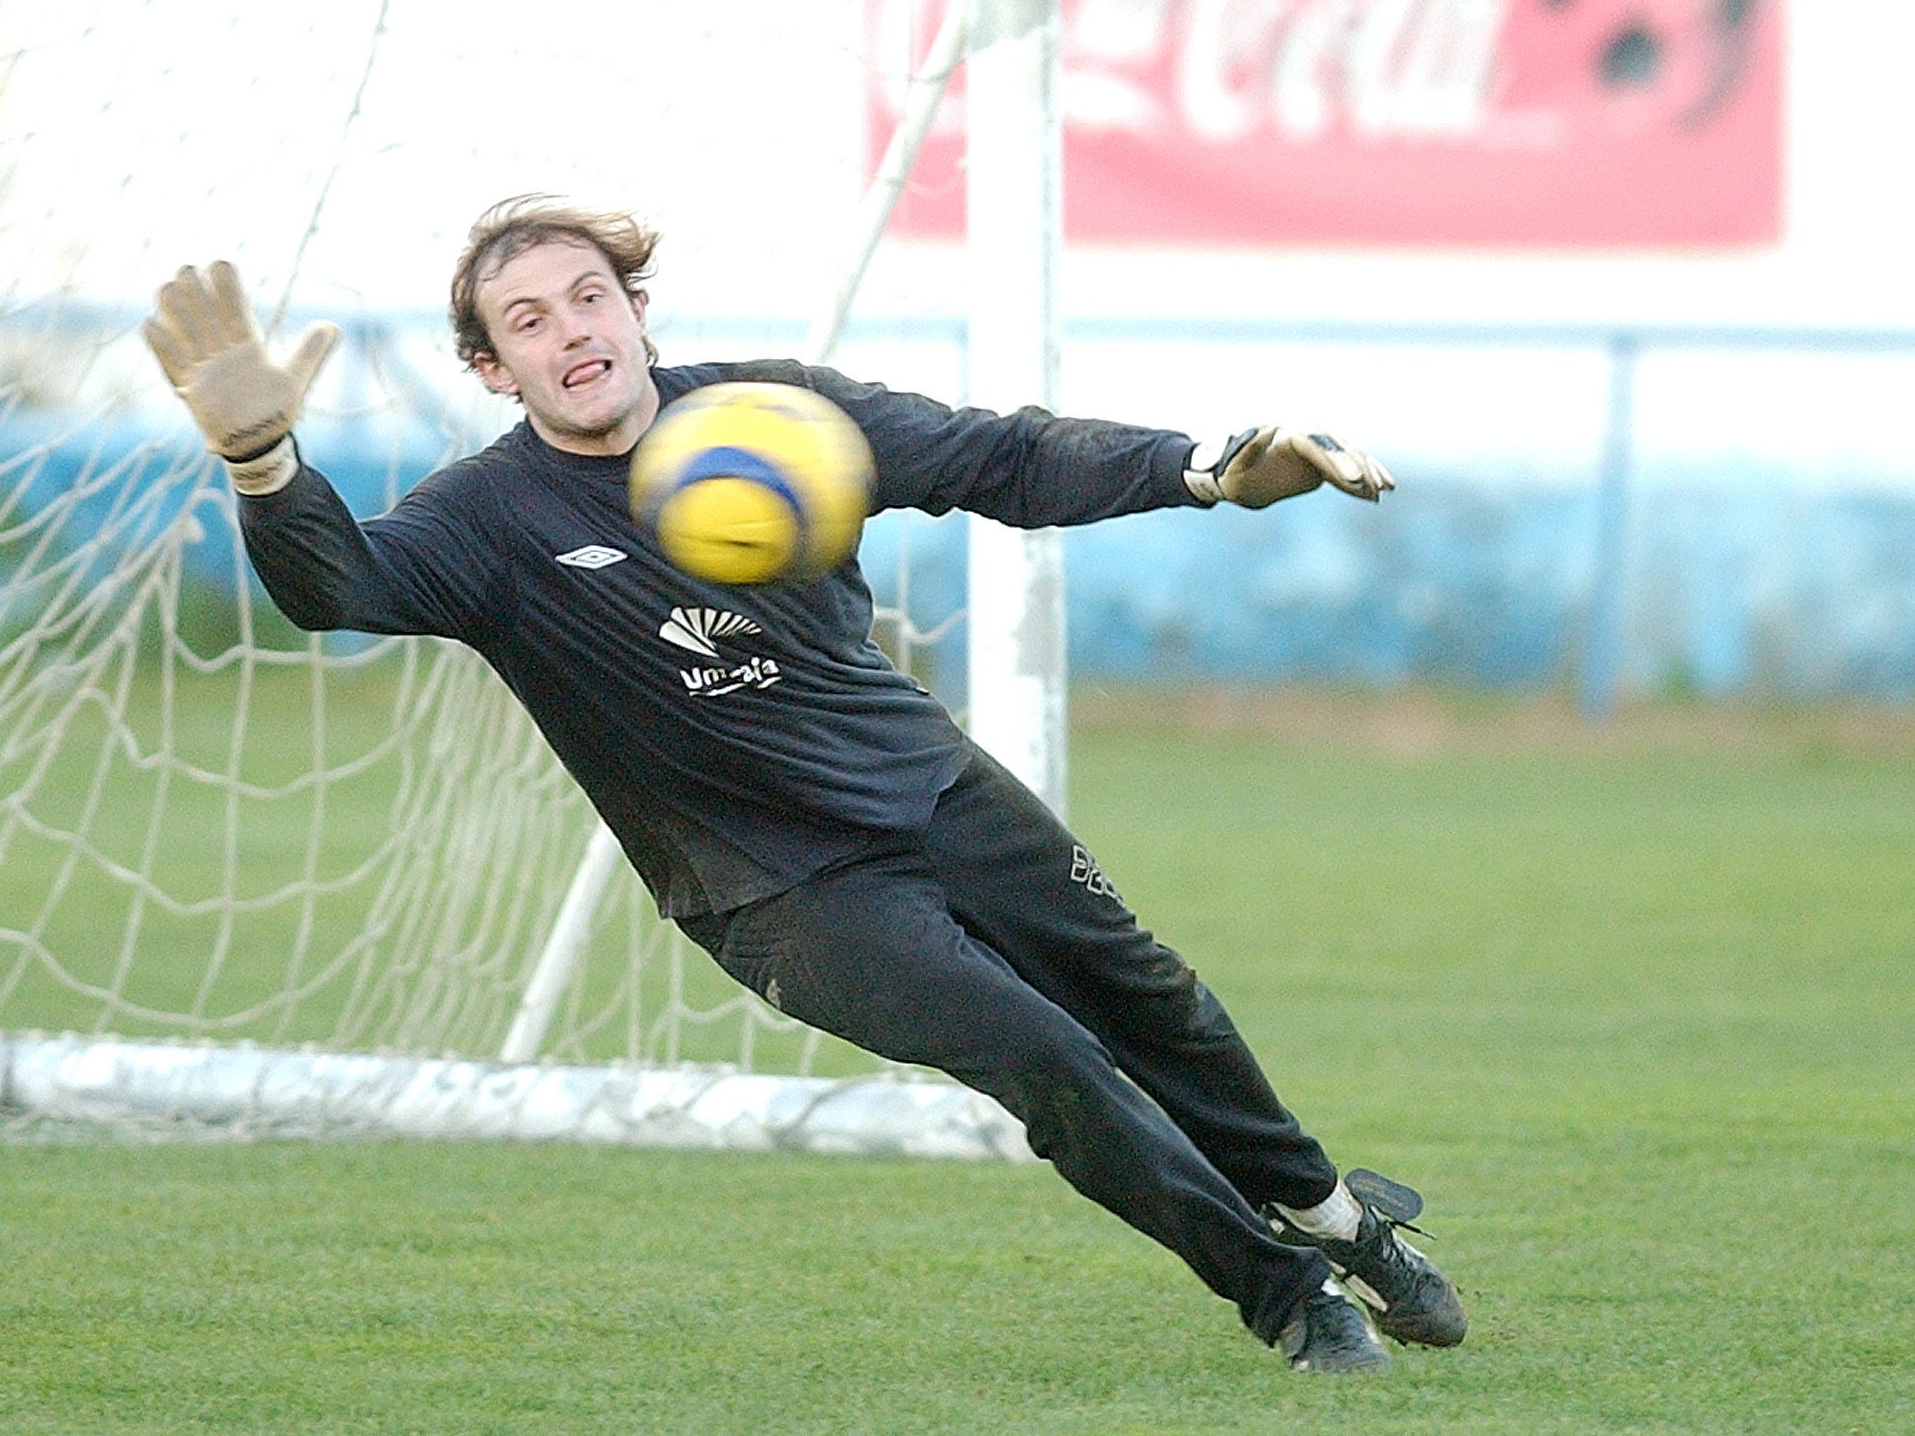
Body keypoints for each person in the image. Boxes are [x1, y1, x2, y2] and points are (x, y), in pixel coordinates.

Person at [142, 194, 1466, 1375]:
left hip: (934, 788)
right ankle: (1292, 1300)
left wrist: (1207, 468)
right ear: (495, 368)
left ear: (636, 312)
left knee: (1155, 1002)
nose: (572, 331)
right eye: (529, 321)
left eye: (590, 297)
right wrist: (264, 461)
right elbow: (338, 589)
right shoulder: (487, 520)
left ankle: (1344, 1224)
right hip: (776, 891)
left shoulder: (770, 417)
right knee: (1051, 1061)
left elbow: (990, 454)